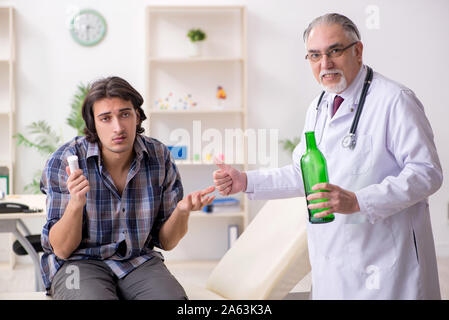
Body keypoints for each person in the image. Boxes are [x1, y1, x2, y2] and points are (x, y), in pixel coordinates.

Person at [213, 13, 443, 299]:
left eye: (334, 51)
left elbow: (426, 172)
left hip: (386, 262)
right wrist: (245, 181)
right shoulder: (319, 106)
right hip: (332, 260)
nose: (325, 64)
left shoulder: (395, 100)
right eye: (314, 55)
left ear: (358, 51)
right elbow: (301, 173)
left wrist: (359, 201)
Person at [40, 76, 215, 299]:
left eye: (125, 114)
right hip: (78, 263)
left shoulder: (159, 157)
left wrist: (182, 211)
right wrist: (76, 203)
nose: (118, 127)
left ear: (137, 116)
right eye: (105, 118)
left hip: (137, 261)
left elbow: (167, 242)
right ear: (93, 124)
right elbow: (62, 250)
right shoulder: (65, 160)